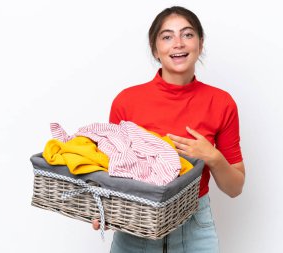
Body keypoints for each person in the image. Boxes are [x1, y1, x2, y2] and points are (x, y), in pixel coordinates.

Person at [93, 6, 245, 252]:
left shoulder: (221, 102)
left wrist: (213, 157)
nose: (178, 43)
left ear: (200, 43)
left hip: (195, 227)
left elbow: (235, 188)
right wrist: (104, 210)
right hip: (136, 224)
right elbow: (111, 172)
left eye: (187, 34)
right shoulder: (127, 101)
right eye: (167, 36)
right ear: (155, 49)